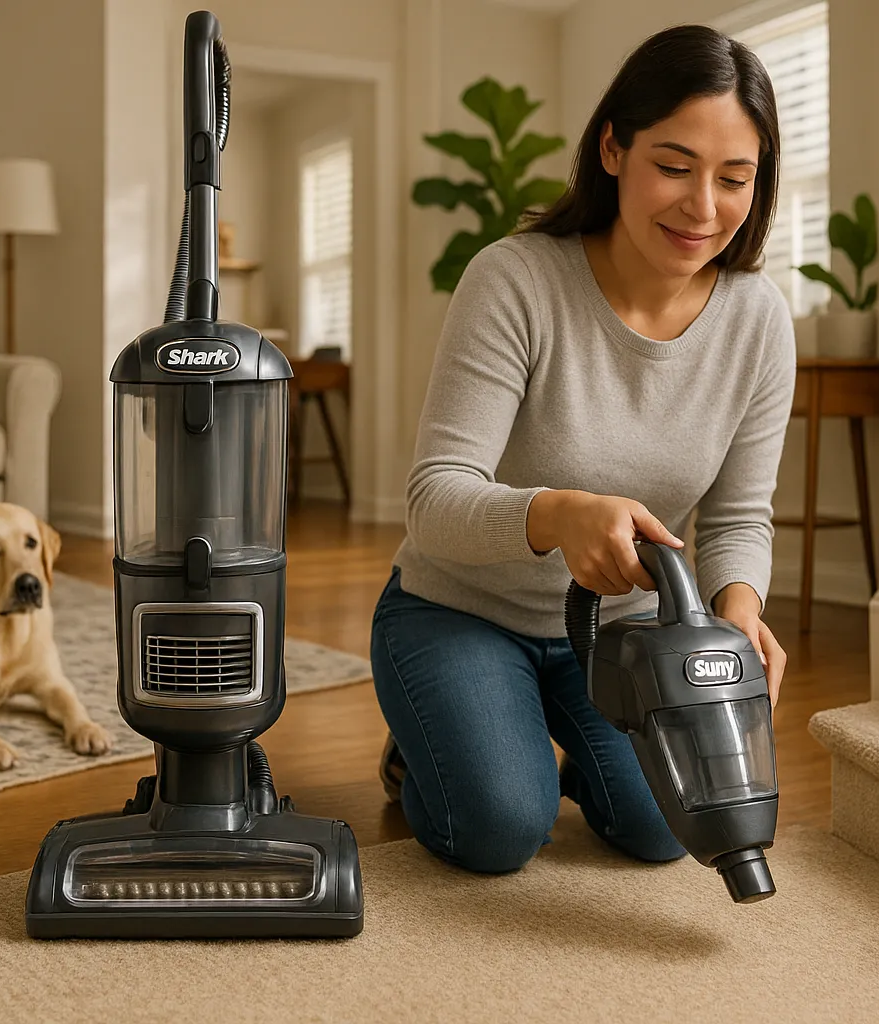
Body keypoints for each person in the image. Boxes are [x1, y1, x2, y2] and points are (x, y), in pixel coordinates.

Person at [370, 23, 795, 875]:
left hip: (629, 631)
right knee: (498, 829)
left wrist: (738, 608)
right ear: (613, 148)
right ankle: (432, 742)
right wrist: (558, 513)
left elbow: (741, 515)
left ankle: (535, 739)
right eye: (673, 166)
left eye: (734, 178)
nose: (702, 207)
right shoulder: (517, 279)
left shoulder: (758, 319)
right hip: (461, 609)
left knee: (667, 831)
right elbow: (436, 497)